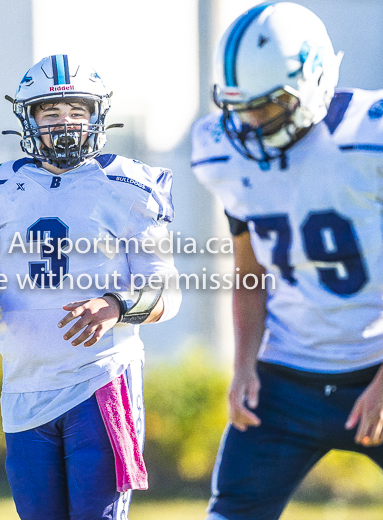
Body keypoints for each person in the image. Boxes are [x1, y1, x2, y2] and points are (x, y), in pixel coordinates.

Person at [0, 54, 182, 519]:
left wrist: (116, 305)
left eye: (78, 112)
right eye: (51, 113)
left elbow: (167, 291)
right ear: (28, 119)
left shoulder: (130, 185)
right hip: (23, 385)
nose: (65, 124)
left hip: (100, 378)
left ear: (97, 117)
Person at [191, 3, 383, 519]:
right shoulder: (223, 153)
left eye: (267, 105)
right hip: (287, 375)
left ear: (315, 79)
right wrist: (244, 363)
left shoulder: (370, 136)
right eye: (242, 107)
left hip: (375, 365)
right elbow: (249, 273)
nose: (252, 122)